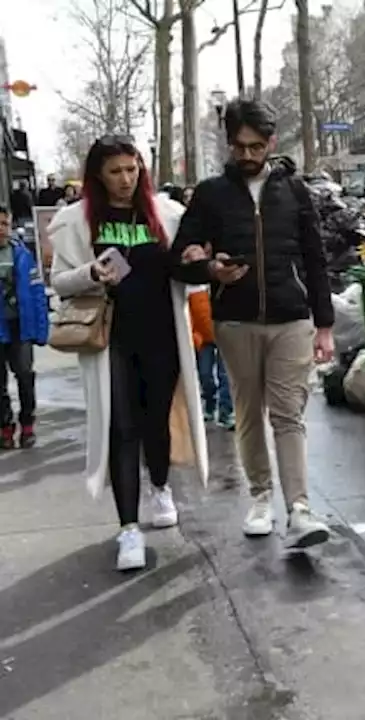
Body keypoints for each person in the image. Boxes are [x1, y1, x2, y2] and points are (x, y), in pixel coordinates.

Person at [172, 100, 335, 549]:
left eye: (256, 146)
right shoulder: (210, 194)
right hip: (235, 320)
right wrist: (208, 270)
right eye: (240, 146)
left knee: (288, 414)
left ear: (271, 143)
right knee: (247, 411)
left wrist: (324, 325)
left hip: (291, 319)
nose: (248, 155)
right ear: (229, 143)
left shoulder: (296, 191)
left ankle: (299, 509)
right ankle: (261, 497)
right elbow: (180, 258)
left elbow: (316, 260)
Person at [47, 135, 209, 572]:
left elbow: (186, 269)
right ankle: (128, 529)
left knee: (156, 423)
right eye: (115, 171)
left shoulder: (166, 215)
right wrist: (91, 273)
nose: (125, 179)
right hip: (111, 340)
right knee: (122, 428)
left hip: (161, 336)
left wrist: (206, 261)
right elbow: (59, 281)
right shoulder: (77, 221)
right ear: (98, 174)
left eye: (132, 169)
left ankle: (160, 484)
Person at [0, 204, 48, 449]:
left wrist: (41, 329)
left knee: (25, 378)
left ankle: (27, 424)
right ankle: (5, 427)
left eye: (4, 224)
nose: (1, 230)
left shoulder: (23, 254)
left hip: (21, 327)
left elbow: (38, 292)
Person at [189, 283, 234, 429]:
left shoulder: (227, 287)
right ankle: (210, 402)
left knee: (225, 376)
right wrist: (195, 335)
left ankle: (225, 411)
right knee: (204, 374)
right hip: (204, 339)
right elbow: (188, 314)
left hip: (224, 336)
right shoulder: (194, 287)